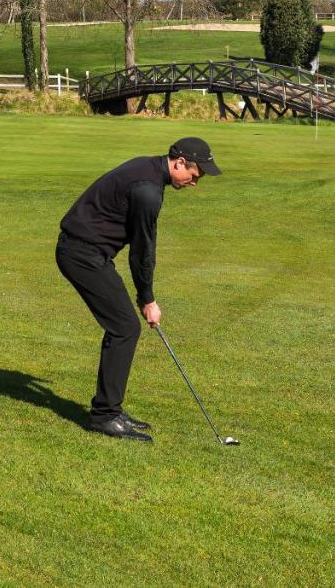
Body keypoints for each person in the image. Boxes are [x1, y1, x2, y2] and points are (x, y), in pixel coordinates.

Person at [55, 137, 220, 442]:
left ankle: (110, 410)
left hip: (89, 251)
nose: (196, 183)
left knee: (123, 327)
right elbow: (142, 252)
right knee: (125, 327)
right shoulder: (147, 191)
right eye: (196, 176)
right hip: (81, 254)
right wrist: (147, 299)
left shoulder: (148, 169)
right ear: (180, 162)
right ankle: (104, 416)